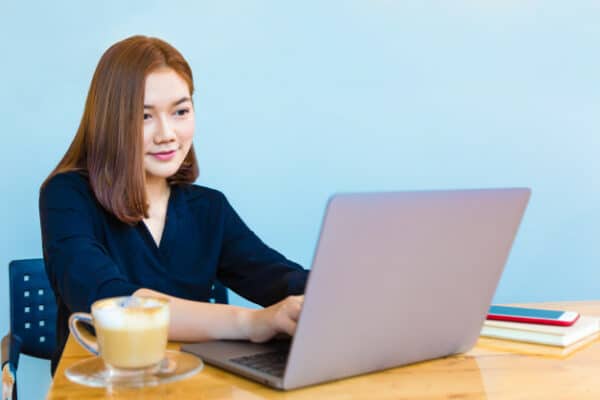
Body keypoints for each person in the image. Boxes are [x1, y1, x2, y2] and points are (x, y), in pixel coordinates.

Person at [39, 35, 309, 373]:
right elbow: (108, 300)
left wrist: (347, 294)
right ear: (111, 122)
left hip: (187, 383)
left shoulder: (208, 208)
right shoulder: (66, 195)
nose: (167, 134)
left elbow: (280, 279)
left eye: (180, 111)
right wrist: (250, 322)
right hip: (103, 385)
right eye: (144, 116)